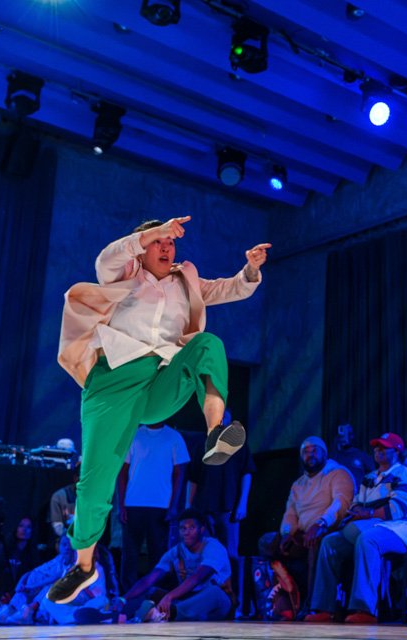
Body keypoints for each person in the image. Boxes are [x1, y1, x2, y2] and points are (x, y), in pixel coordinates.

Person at [51, 215, 267, 605]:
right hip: (113, 380)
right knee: (95, 482)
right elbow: (107, 258)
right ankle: (83, 567)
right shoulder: (123, 272)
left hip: (160, 381)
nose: (168, 248)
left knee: (208, 345)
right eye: (159, 242)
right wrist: (146, 235)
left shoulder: (186, 281)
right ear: (143, 244)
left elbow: (228, 289)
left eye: (171, 243)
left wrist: (250, 269)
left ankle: (216, 430)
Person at [306, 433, 407, 623]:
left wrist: (367, 513)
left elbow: (397, 509)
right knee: (330, 542)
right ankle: (324, 607)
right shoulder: (369, 478)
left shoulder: (403, 473)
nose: (378, 451)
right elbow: (355, 506)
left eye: (384, 447)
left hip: (400, 529)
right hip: (373, 525)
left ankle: (365, 608)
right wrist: (363, 512)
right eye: (376, 447)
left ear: (396, 451)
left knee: (368, 539)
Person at [187, 409, 255, 614]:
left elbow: (247, 473)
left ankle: (235, 602)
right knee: (207, 556)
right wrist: (189, 508)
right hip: (204, 508)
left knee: (230, 554)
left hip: (228, 507)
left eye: (223, 416)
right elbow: (194, 479)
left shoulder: (238, 444)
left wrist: (242, 503)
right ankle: (209, 601)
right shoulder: (202, 444)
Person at [124, 508, 233, 622]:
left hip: (216, 606)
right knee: (151, 591)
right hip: (187, 601)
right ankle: (124, 614)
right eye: (183, 528)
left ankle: (164, 614)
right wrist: (123, 599)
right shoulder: (176, 551)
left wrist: (170, 596)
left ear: (201, 529)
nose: (186, 532)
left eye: (191, 528)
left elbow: (197, 578)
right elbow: (150, 579)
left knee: (214, 592)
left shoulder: (213, 547)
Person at [118, 421, 190, 592]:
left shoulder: (174, 437)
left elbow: (180, 474)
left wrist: (173, 505)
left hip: (160, 505)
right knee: (130, 554)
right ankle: (126, 597)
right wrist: (121, 505)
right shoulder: (133, 435)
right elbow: (122, 473)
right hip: (133, 503)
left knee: (158, 554)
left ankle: (155, 595)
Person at [330, 423, 376, 488]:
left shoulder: (362, 456)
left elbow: (373, 474)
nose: (343, 438)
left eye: (347, 434)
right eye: (341, 436)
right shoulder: (334, 457)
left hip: (358, 495)